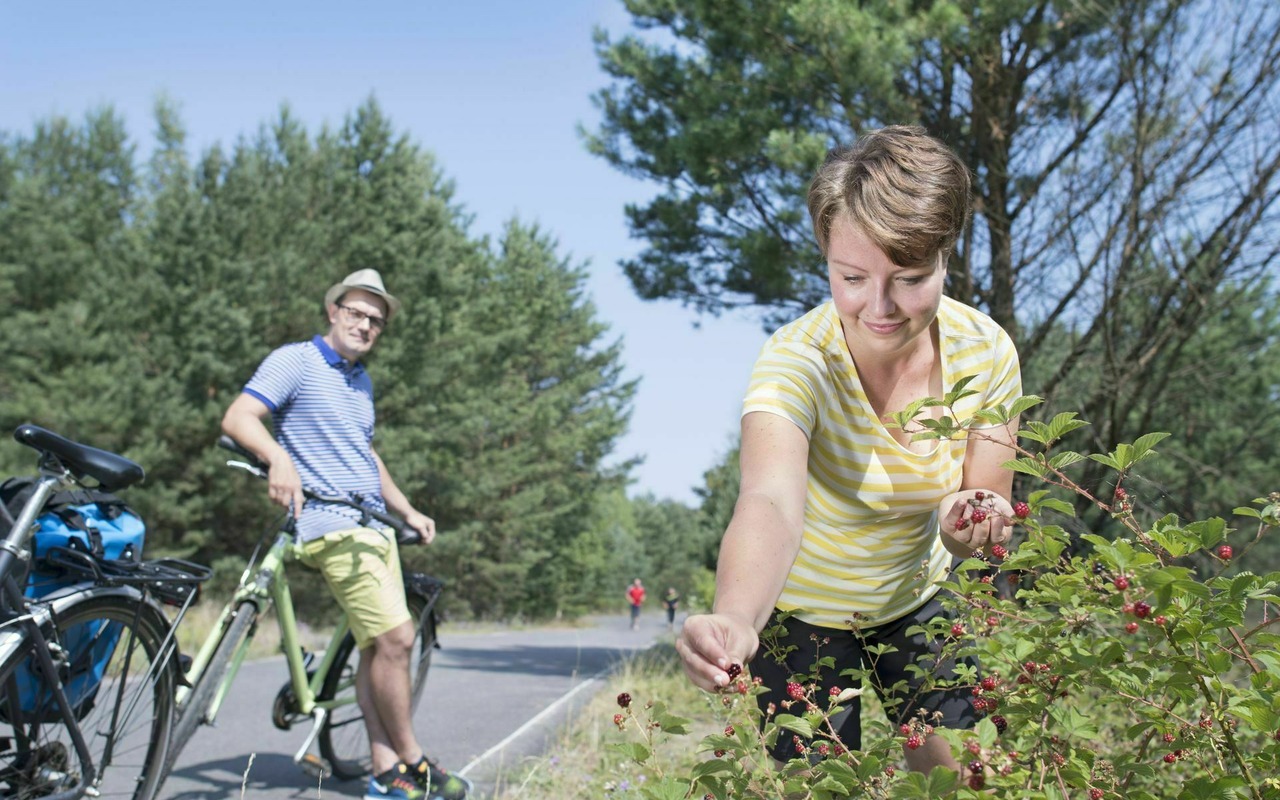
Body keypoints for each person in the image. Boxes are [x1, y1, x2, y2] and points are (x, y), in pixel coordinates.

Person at [674, 125, 1022, 776]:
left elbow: (986, 504)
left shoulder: (987, 352)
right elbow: (770, 502)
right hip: (799, 615)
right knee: (821, 787)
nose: (879, 307)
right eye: (852, 277)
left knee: (962, 780)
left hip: (916, 601)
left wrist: (969, 523)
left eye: (909, 278)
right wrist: (737, 618)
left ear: (945, 257)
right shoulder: (795, 363)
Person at [221, 269, 469, 800]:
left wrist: (406, 509)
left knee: (375, 645)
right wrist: (278, 459)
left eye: (375, 320)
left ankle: (383, 768)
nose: (365, 325)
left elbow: (365, 454)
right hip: (332, 526)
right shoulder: (296, 360)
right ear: (333, 311)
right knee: (398, 640)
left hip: (372, 527)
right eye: (356, 312)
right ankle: (413, 760)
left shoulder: (360, 382)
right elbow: (239, 417)